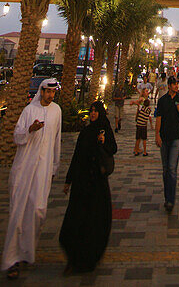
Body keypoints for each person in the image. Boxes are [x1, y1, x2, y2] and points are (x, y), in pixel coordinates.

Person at [2, 78, 62, 280]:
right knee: (17, 213)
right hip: (24, 168)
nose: (50, 96)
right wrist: (30, 130)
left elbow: (57, 140)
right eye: (47, 92)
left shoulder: (56, 111)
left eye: (53, 92)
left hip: (43, 169)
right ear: (41, 91)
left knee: (38, 210)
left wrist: (54, 166)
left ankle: (27, 251)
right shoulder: (29, 110)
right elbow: (17, 136)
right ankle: (12, 259)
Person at [59, 100, 117, 274]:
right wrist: (68, 180)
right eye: (91, 111)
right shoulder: (85, 132)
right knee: (75, 219)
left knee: (95, 222)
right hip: (82, 182)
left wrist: (103, 142)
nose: (92, 114)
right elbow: (77, 156)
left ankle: (89, 259)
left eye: (95, 111)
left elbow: (113, 148)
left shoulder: (104, 130)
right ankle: (72, 259)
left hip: (97, 184)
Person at [155, 75, 179, 212]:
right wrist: (157, 134)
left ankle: (171, 200)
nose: (176, 86)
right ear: (169, 86)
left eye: (177, 84)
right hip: (164, 137)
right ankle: (167, 196)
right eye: (174, 84)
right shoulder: (162, 101)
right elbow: (159, 118)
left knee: (172, 169)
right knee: (165, 169)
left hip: (176, 137)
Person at [134, 85, 153, 156]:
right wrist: (151, 124)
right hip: (144, 125)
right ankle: (144, 151)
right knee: (144, 139)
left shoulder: (141, 109)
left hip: (139, 124)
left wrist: (133, 102)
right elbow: (149, 117)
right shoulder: (148, 110)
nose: (147, 92)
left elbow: (138, 107)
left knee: (138, 138)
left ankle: (136, 150)